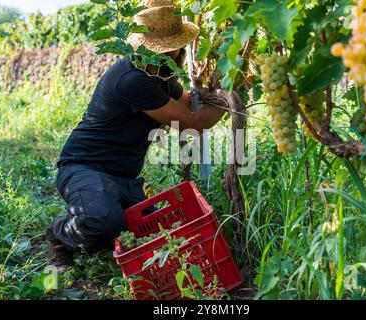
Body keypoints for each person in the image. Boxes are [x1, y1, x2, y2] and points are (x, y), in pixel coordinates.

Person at [46, 0, 237, 271]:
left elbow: (186, 104)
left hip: (123, 179)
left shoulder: (156, 75)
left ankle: (107, 216)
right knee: (102, 221)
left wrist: (210, 95)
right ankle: (59, 235)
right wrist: (230, 94)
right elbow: (193, 124)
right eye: (177, 46)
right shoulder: (133, 80)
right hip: (84, 170)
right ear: (172, 49)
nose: (181, 51)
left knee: (159, 230)